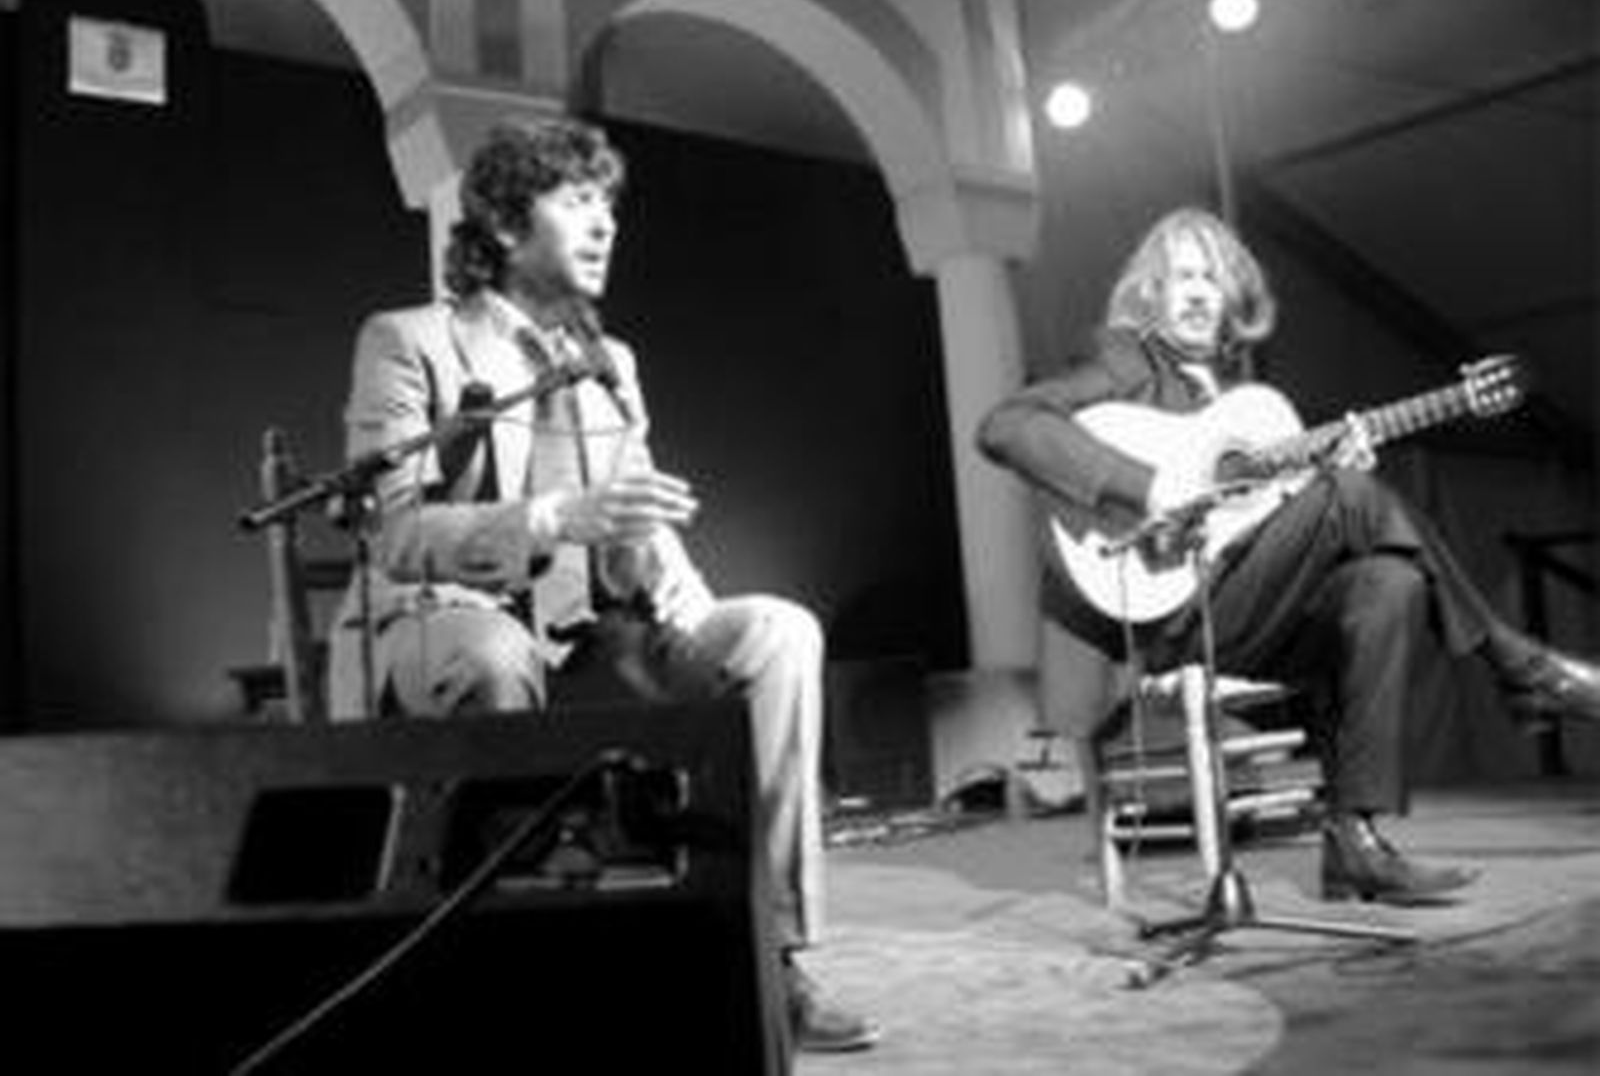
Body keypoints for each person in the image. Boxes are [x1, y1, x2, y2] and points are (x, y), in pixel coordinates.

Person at [326, 115, 878, 1052]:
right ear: (504, 225)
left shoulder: (611, 362)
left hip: (591, 638)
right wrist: (549, 519)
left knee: (778, 632)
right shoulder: (409, 339)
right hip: (442, 621)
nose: (604, 224)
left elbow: (637, 526)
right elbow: (394, 530)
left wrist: (692, 621)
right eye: (576, 202)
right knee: (497, 655)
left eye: (609, 207)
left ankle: (767, 950)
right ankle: (522, 965)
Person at [978, 206, 1600, 906]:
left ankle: (1353, 842)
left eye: (1211, 279)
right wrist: (1151, 485)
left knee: (1386, 581)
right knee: (1354, 494)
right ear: (1151, 293)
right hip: (1169, 611)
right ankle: (1520, 664)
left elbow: (1265, 522)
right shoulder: (1125, 363)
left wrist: (1321, 477)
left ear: (1231, 298)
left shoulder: (1246, 399)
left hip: (1246, 602)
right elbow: (1007, 426)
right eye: (1181, 276)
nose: (1196, 292)